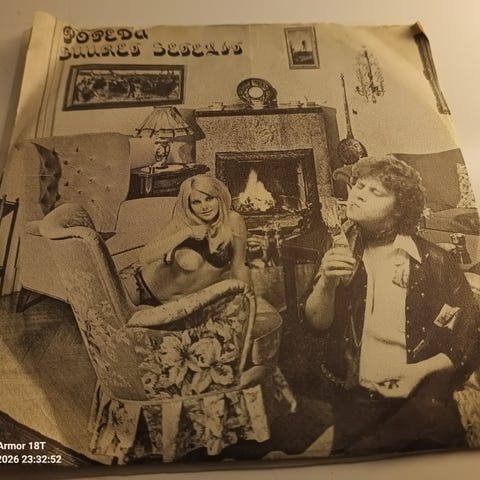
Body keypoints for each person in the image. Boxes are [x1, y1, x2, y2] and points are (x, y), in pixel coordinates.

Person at [303, 155, 480, 456]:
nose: (358, 194)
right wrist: (326, 284)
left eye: (375, 191)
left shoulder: (435, 261)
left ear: (399, 209)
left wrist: (416, 373)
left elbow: (468, 338)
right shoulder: (341, 249)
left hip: (421, 400)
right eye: (359, 186)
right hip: (355, 397)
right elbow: (316, 325)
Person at [124, 174, 251, 305]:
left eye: (209, 198)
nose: (204, 207)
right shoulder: (184, 222)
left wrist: (248, 299)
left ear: (219, 197)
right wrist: (188, 232)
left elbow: (239, 266)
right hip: (139, 287)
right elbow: (145, 257)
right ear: (189, 205)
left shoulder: (234, 221)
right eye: (196, 202)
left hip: (173, 307)